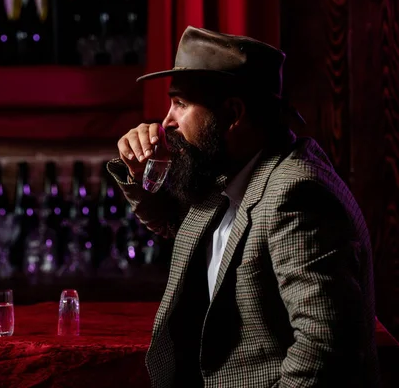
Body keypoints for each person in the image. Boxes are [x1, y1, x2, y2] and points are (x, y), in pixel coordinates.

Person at [107, 26, 379, 387]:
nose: (166, 122)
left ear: (233, 113)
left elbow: (325, 353)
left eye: (181, 104)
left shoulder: (295, 195)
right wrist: (142, 173)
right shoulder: (230, 171)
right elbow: (180, 224)